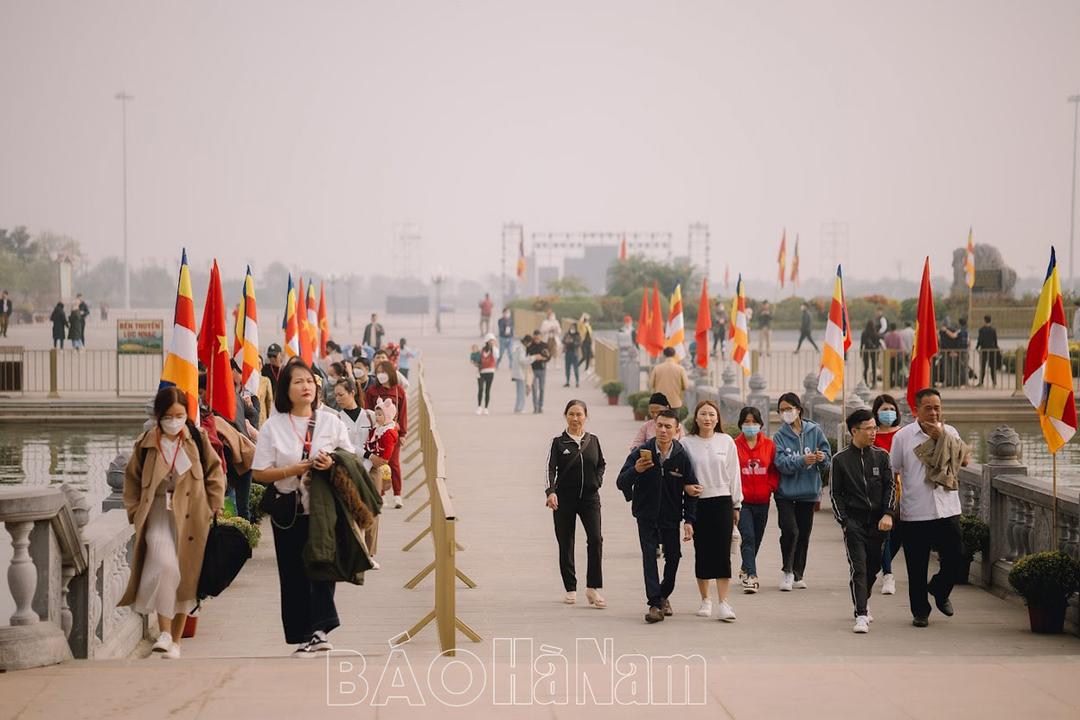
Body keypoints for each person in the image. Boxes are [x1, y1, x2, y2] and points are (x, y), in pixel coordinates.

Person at [251, 359, 354, 656]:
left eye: (309, 381)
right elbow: (259, 472)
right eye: (298, 382)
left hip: (324, 507)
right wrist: (292, 470)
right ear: (286, 388)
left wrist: (331, 462)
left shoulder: (331, 422)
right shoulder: (274, 426)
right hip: (288, 510)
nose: (305, 386)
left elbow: (351, 460)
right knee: (293, 572)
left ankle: (321, 630)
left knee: (323, 564)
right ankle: (301, 634)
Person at [119, 386, 226, 660]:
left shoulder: (196, 439)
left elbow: (215, 471)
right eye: (169, 416)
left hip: (192, 514)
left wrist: (215, 503)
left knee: (186, 578)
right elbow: (131, 479)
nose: (174, 421)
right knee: (164, 565)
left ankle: (174, 640)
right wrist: (133, 511)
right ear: (159, 416)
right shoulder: (146, 443)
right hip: (157, 511)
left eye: (179, 415)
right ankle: (164, 631)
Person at [889, 388, 970, 628]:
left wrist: (942, 437)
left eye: (937, 407)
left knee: (957, 555)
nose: (934, 412)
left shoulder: (951, 431)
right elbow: (893, 471)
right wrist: (890, 508)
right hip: (915, 510)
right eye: (928, 408)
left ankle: (939, 588)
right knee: (916, 565)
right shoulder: (903, 437)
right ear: (916, 410)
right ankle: (920, 611)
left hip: (947, 508)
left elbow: (965, 460)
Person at [616, 410, 700, 623]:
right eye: (659, 426)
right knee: (649, 556)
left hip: (671, 516)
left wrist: (689, 520)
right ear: (654, 426)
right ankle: (655, 603)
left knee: (674, 557)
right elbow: (621, 482)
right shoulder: (642, 451)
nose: (663, 430)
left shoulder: (681, 455)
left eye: (668, 427)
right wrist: (635, 470)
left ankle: (664, 594)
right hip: (646, 514)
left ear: (677, 429)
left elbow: (692, 489)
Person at [831, 409, 896, 633]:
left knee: (873, 567)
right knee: (858, 567)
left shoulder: (881, 456)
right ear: (854, 431)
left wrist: (888, 513)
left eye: (874, 428)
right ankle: (861, 613)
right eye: (868, 428)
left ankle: (861, 598)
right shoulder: (840, 460)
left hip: (879, 522)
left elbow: (891, 486)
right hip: (854, 522)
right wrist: (845, 522)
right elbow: (835, 494)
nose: (873, 432)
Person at [681, 400, 741, 622]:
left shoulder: (726, 442)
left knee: (722, 553)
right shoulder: (686, 443)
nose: (707, 418)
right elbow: (682, 473)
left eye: (712, 414)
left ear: (718, 419)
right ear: (695, 418)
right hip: (699, 503)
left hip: (722, 501)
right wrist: (686, 488)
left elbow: (734, 474)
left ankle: (723, 603)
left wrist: (737, 503)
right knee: (702, 551)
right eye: (703, 414)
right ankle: (705, 599)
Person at [545, 400, 606, 608]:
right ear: (565, 416)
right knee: (566, 542)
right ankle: (570, 588)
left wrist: (597, 481)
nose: (575, 418)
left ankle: (593, 588)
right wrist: (551, 492)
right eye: (571, 414)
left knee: (596, 539)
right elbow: (549, 469)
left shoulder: (593, 440)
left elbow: (601, 464)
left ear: (586, 416)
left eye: (579, 414)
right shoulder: (558, 443)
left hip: (590, 499)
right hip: (564, 500)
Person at [772, 392, 831, 591]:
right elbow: (780, 463)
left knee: (804, 534)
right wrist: (801, 460)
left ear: (798, 409)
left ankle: (798, 573)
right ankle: (787, 571)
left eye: (789, 408)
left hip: (808, 492)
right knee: (790, 530)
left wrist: (822, 457)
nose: (786, 413)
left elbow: (828, 460)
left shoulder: (815, 431)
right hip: (785, 493)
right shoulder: (779, 436)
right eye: (782, 410)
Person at [734, 406, 778, 594]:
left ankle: (745, 567)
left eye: (753, 422)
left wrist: (770, 487)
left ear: (760, 424)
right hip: (742, 501)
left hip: (763, 499)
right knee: (748, 537)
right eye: (746, 422)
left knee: (757, 538)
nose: (750, 425)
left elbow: (774, 471)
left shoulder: (769, 445)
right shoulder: (734, 445)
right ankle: (751, 576)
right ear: (741, 424)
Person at [364, 360, 408, 506]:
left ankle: (397, 494)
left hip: (392, 432)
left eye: (384, 371)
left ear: (390, 373)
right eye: (378, 372)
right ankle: (381, 493)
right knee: (379, 463)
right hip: (377, 433)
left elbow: (403, 413)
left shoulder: (398, 391)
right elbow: (368, 412)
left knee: (394, 463)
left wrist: (403, 434)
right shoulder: (372, 391)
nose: (381, 375)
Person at [871, 393, 903, 596]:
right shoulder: (871, 434)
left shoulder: (903, 434)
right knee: (886, 534)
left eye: (891, 409)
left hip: (905, 490)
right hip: (881, 491)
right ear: (876, 412)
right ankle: (888, 575)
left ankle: (878, 565)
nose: (888, 413)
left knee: (899, 535)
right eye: (884, 410)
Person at [365, 398, 400, 530]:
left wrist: (380, 458)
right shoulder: (378, 428)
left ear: (388, 416)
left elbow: (387, 453)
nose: (377, 417)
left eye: (380, 415)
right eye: (376, 414)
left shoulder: (388, 432)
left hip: (381, 460)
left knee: (383, 474)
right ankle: (381, 495)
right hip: (373, 457)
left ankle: (385, 493)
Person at [526, 330, 551, 413]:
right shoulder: (530, 346)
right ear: (533, 337)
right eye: (535, 337)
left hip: (542, 369)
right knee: (534, 389)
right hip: (532, 370)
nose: (536, 339)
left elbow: (549, 357)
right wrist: (534, 357)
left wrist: (543, 358)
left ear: (541, 336)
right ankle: (535, 407)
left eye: (538, 337)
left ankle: (540, 406)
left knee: (542, 389)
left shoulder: (545, 345)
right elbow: (526, 357)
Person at [473, 334, 498, 414]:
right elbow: (477, 359)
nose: (492, 342)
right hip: (481, 372)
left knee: (487, 390)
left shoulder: (495, 350)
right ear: (487, 341)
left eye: (493, 340)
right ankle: (479, 406)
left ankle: (486, 408)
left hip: (490, 372)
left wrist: (494, 346)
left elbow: (496, 356)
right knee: (480, 389)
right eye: (491, 340)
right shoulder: (482, 350)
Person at [510, 334, 532, 414]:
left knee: (519, 391)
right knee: (521, 392)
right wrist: (532, 358)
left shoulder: (518, 347)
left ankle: (517, 407)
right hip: (520, 373)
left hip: (517, 373)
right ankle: (520, 408)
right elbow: (522, 360)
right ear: (527, 342)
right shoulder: (521, 349)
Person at [976, 315, 999, 387]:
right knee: (992, 367)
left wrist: (977, 347)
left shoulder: (981, 330)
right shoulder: (993, 330)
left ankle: (981, 382)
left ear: (984, 320)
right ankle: (994, 382)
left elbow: (980, 340)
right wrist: (996, 348)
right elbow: (995, 341)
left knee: (982, 367)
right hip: (992, 350)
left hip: (984, 350)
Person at [860, 319, 881, 386]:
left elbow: (861, 343)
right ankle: (874, 383)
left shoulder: (864, 333)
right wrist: (878, 353)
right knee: (874, 368)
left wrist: (860, 352)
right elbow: (878, 344)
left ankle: (866, 383)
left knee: (866, 367)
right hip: (874, 351)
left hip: (866, 351)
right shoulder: (875, 333)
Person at [562, 323, 582, 388]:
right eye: (571, 327)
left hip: (574, 353)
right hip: (567, 352)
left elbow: (580, 343)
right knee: (567, 368)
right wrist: (566, 341)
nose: (572, 328)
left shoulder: (577, 335)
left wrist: (573, 342)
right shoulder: (567, 334)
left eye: (573, 327)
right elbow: (562, 340)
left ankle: (577, 382)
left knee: (575, 368)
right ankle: (567, 382)